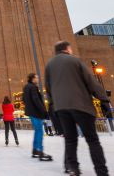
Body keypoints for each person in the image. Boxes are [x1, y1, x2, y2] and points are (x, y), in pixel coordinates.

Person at [45, 41, 110, 176]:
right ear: (67, 49)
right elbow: (91, 81)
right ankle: (101, 171)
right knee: (92, 140)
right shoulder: (74, 61)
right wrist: (104, 99)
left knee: (70, 140)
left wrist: (53, 105)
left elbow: (48, 88)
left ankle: (74, 168)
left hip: (61, 108)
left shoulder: (49, 65)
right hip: (81, 105)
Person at [23, 73, 52, 161]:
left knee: (37, 130)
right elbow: (36, 100)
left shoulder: (26, 87)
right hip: (35, 112)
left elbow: (24, 100)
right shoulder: (33, 87)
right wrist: (44, 111)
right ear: (32, 79)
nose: (38, 79)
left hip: (31, 112)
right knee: (39, 131)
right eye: (36, 78)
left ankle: (35, 150)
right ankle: (40, 151)